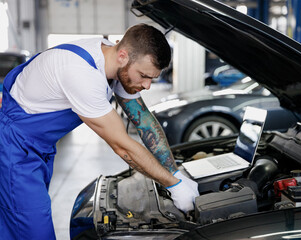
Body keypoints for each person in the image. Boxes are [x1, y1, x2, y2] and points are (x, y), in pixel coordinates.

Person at [0, 23, 199, 240]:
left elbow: (145, 122)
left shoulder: (113, 59)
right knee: (34, 230)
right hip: (14, 148)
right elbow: (122, 146)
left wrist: (175, 172)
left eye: (152, 78)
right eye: (144, 75)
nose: (147, 85)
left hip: (39, 147)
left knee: (14, 223)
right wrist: (173, 185)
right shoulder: (81, 73)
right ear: (123, 56)